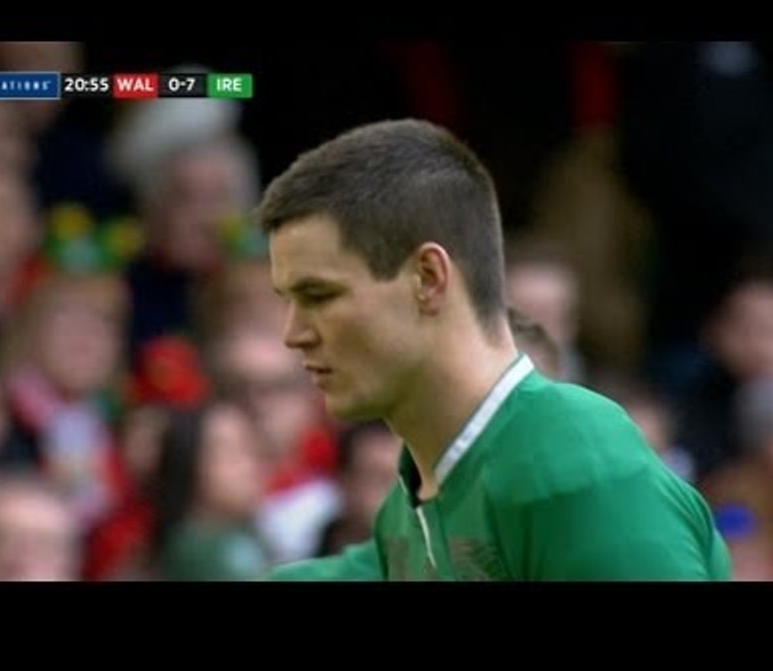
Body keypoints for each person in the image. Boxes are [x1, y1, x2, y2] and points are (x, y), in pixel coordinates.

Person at [257, 119, 729, 581]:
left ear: (428, 278)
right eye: (288, 302)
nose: (293, 333)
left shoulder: (576, 467)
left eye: (318, 296)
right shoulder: (407, 504)